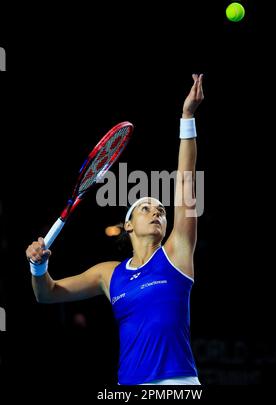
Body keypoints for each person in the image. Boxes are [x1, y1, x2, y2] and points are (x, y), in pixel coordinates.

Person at [26, 73, 204, 385]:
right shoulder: (109, 274)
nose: (157, 212)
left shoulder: (177, 254)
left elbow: (186, 179)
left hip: (179, 384)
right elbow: (47, 294)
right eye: (146, 208)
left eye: (161, 210)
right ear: (128, 226)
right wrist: (38, 266)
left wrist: (187, 117)